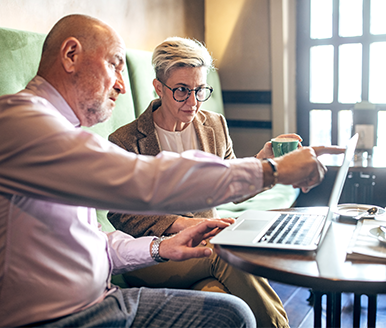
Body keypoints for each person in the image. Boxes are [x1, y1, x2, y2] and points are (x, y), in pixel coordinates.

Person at [0, 14, 340, 328]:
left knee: (228, 310)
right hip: (43, 319)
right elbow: (143, 179)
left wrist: (160, 248)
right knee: (227, 297)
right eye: (115, 64)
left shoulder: (59, 134)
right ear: (70, 55)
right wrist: (270, 169)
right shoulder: (20, 125)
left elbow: (93, 240)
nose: (120, 84)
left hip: (99, 300)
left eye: (199, 90)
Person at [108, 36, 302, 328]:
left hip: (207, 247)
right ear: (158, 87)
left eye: (200, 90)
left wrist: (264, 161)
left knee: (222, 300)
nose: (193, 101)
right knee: (227, 254)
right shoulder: (126, 140)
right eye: (182, 91)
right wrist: (186, 226)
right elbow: (121, 214)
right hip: (157, 253)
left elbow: (231, 185)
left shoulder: (214, 125)